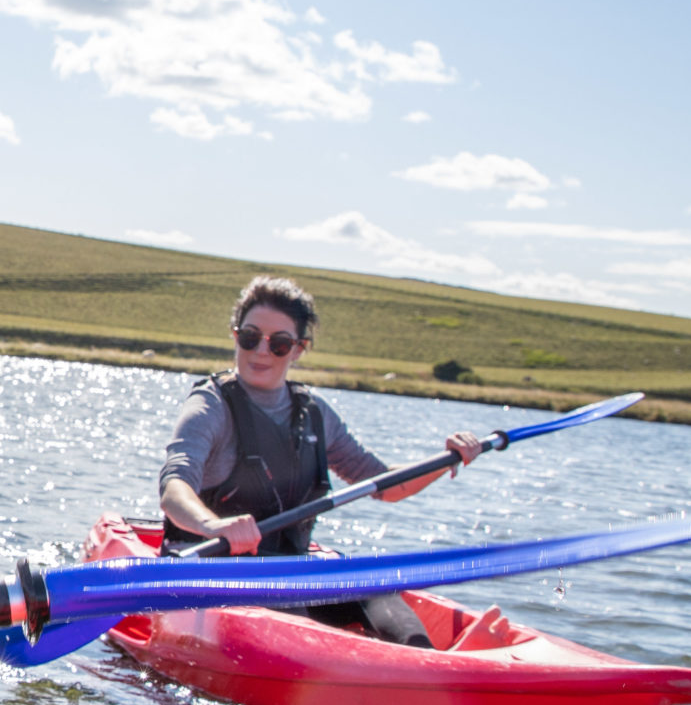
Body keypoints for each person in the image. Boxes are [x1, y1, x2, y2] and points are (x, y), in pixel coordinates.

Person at [158, 274, 491, 650]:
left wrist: (447, 459)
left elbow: (385, 485)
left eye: (279, 343)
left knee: (376, 590)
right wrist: (214, 524)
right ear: (236, 336)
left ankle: (429, 664)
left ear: (299, 349)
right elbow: (174, 488)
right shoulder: (210, 406)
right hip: (215, 569)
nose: (261, 351)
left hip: (289, 572)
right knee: (293, 614)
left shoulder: (315, 414)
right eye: (250, 337)